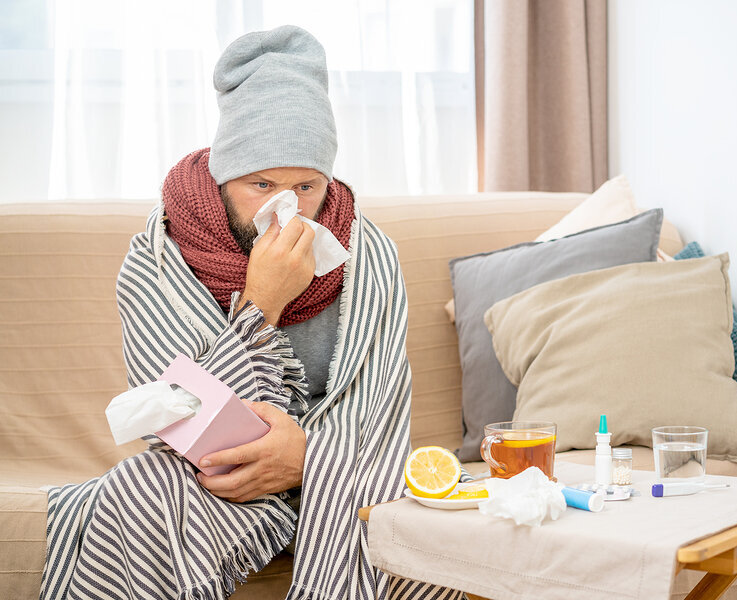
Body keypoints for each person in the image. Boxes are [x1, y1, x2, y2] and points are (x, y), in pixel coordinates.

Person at [41, 25, 464, 600]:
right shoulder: (159, 256)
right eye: (261, 184)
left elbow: (379, 411)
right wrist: (262, 301)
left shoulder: (368, 254)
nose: (286, 208)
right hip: (214, 477)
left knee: (422, 526)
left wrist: (307, 460)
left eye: (306, 186)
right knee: (142, 487)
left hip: (336, 479)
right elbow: (173, 414)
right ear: (222, 179)